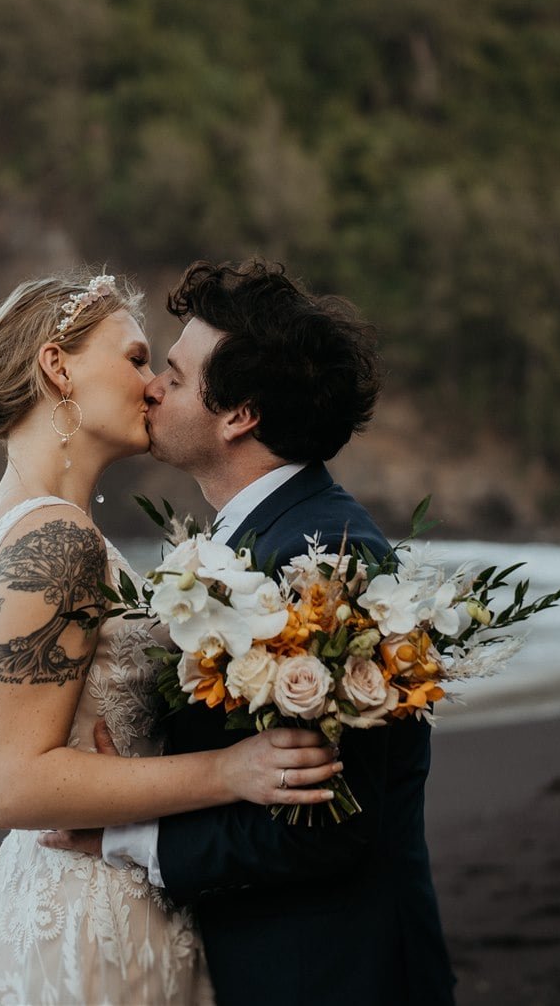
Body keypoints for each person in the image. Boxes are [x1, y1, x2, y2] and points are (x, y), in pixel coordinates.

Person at [42, 259, 458, 1005]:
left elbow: (324, 825)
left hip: (329, 977)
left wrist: (125, 836)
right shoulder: (263, 537)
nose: (153, 387)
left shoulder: (326, 560)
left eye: (174, 371)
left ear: (239, 415)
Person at [0, 269, 341, 1006]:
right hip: (89, 922)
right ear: (58, 367)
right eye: (134, 358)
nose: (154, 382)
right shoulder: (56, 538)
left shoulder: (27, 520)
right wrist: (229, 770)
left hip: (110, 889)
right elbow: (13, 782)